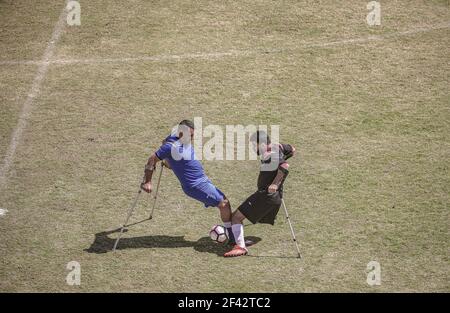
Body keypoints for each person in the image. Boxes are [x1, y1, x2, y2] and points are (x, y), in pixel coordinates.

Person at [141, 120, 236, 242]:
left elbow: (164, 142)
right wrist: (147, 181)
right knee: (224, 204)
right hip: (196, 185)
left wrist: (169, 162)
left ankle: (232, 234)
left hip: (202, 181)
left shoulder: (174, 138)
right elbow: (151, 159)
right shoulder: (171, 146)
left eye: (192, 135)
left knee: (224, 202)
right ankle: (233, 238)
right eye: (189, 135)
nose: (191, 138)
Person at [224, 131, 295, 257]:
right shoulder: (277, 146)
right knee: (237, 216)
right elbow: (292, 150)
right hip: (270, 196)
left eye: (254, 145)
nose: (253, 148)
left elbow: (284, 165)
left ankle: (240, 247)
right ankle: (238, 242)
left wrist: (275, 184)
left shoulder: (270, 154)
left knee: (236, 217)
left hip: (266, 196)